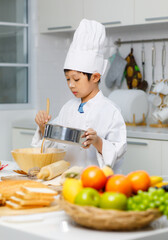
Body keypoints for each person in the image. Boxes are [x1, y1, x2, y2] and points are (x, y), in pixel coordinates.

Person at [32, 19, 127, 172]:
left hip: (95, 184)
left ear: (95, 77)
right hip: (66, 181)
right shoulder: (68, 108)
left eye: (76, 79)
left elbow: (119, 150)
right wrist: (43, 128)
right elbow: (51, 146)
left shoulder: (111, 111)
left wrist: (97, 141)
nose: (71, 84)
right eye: (67, 79)